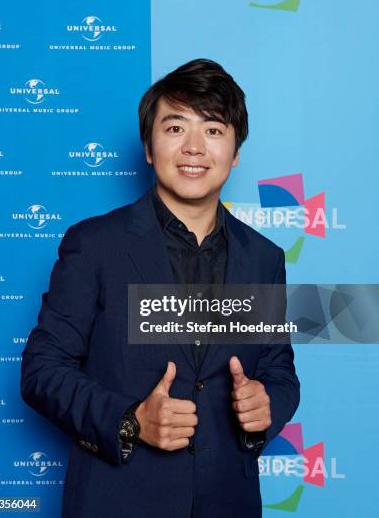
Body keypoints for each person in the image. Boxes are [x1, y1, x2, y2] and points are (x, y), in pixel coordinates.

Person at [20, 58, 300, 518]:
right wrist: (130, 422)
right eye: (175, 129)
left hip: (228, 503)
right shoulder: (94, 245)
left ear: (235, 152)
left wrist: (264, 405)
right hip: (117, 502)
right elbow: (42, 370)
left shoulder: (262, 258)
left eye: (213, 130)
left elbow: (278, 370)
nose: (194, 148)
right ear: (149, 147)